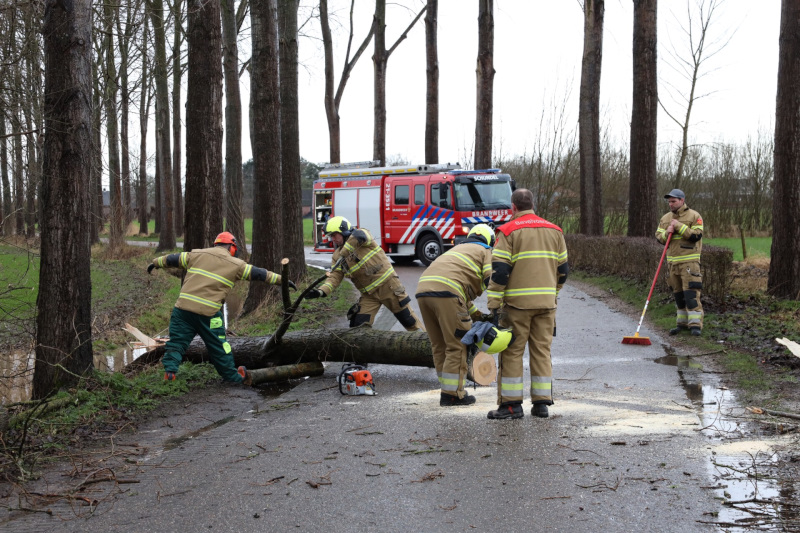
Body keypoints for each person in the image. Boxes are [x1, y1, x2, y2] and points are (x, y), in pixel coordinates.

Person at [147, 232, 296, 385]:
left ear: (216, 244)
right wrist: (283, 280)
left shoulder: (197, 254)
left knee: (177, 343)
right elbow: (260, 274)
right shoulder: (236, 264)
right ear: (232, 247)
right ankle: (233, 377)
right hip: (209, 314)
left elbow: (173, 259)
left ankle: (170, 373)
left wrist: (155, 263)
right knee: (219, 347)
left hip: (183, 310)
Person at [485, 189, 568, 419]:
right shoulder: (555, 231)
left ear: (513, 207)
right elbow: (563, 271)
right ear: (533, 204)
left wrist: (493, 303)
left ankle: (511, 406)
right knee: (542, 351)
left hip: (517, 306)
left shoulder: (508, 231)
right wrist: (553, 293)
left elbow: (500, 272)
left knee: (512, 352)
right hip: (546, 304)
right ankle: (541, 404)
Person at [415, 224, 495, 407]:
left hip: (423, 291)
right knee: (458, 344)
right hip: (448, 293)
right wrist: (497, 308)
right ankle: (453, 394)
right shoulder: (485, 251)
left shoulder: (457, 249)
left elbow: (461, 294)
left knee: (439, 345)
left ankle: (447, 388)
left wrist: (477, 315)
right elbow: (492, 279)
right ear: (490, 240)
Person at [305, 216, 423, 331]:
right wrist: (321, 291)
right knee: (358, 327)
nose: (333, 239)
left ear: (343, 231)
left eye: (334, 235)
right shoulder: (337, 256)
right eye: (330, 236)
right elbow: (334, 277)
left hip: (389, 288)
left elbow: (358, 236)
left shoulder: (361, 237)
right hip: (369, 296)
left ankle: (429, 346)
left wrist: (344, 253)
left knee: (410, 323)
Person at [656, 189, 704, 336]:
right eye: (669, 202)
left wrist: (679, 226)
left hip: (690, 263)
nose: (671, 204)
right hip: (672, 263)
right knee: (678, 295)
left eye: (674, 201)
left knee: (691, 295)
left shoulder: (694, 216)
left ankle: (695, 325)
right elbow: (659, 238)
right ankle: (681, 324)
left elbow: (696, 235)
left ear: (682, 200)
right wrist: (666, 232)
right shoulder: (665, 218)